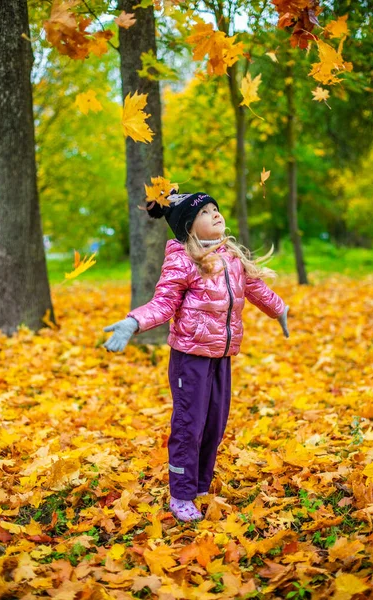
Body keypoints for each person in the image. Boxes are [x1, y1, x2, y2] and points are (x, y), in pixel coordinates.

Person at [103, 191, 290, 522]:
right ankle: (181, 493)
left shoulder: (230, 255)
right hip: (190, 358)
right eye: (205, 212)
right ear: (189, 227)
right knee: (190, 425)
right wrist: (134, 322)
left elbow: (255, 288)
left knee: (215, 423)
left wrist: (280, 310)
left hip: (221, 356)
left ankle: (200, 484)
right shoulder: (182, 260)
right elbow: (164, 303)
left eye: (216, 208)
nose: (215, 214)